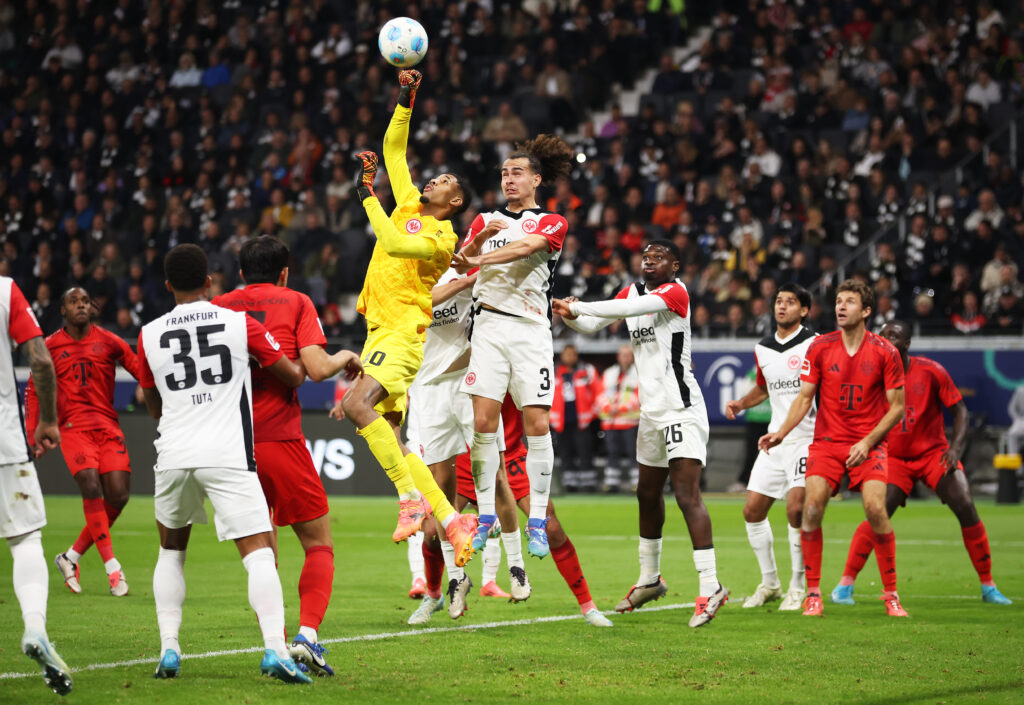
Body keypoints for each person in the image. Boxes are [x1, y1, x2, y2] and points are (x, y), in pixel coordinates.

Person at [138, 244, 310, 683]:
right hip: (228, 454)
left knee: (171, 552)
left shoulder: (149, 333)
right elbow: (292, 374)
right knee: (259, 555)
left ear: (168, 285)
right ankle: (275, 650)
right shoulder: (238, 322)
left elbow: (151, 403)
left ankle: (169, 648)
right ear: (209, 281)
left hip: (174, 453)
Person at [337, 69, 478, 564]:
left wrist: (366, 195)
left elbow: (395, 244)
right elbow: (394, 151)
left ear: (454, 203)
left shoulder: (441, 238)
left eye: (446, 182)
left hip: (402, 331)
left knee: (356, 406)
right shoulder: (410, 205)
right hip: (382, 328)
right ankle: (453, 521)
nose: (434, 179)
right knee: (394, 440)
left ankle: (408, 499)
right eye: (436, 176)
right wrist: (406, 97)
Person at [553, 240, 728, 629]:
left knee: (686, 495)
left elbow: (624, 311)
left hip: (680, 408)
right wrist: (570, 315)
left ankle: (711, 586)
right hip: (650, 414)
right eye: (645, 257)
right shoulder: (631, 291)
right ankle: (650, 578)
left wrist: (581, 306)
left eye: (658, 257)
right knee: (646, 494)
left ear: (674, 265)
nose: (649, 262)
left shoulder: (675, 292)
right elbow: (593, 325)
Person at [212, 236, 364, 676]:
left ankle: (274, 645)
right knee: (318, 544)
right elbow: (314, 370)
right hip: (279, 439)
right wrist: (345, 356)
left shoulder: (218, 306)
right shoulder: (296, 301)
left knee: (262, 554)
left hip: (228, 446)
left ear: (242, 273)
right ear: (284, 272)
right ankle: (307, 636)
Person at [451, 133, 574, 571]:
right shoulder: (485, 219)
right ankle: (485, 514)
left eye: (517, 172)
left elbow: (525, 248)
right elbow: (460, 261)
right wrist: (478, 240)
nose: (508, 179)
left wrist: (481, 256)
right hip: (487, 327)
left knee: (536, 423)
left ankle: (536, 519)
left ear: (536, 179)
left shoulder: (552, 222)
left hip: (530, 331)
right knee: (483, 424)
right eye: (504, 173)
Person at [830, 320, 1012, 606]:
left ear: (907, 344)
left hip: (932, 454)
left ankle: (989, 586)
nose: (887, 340)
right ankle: (845, 583)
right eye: (883, 335)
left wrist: (955, 448)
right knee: (878, 511)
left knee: (965, 503)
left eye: (894, 336)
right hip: (891, 456)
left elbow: (960, 411)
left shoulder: (931, 371)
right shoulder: (869, 375)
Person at [758, 280, 907, 617]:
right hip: (827, 443)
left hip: (869, 445)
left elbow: (897, 408)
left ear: (866, 311)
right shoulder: (820, 347)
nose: (841, 306)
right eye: (839, 301)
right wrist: (780, 433)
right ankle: (813, 593)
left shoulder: (886, 351)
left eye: (850, 302)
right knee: (811, 508)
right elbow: (804, 398)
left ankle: (891, 594)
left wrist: (867, 442)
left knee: (875, 509)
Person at [411, 394, 613, 628]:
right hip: (464, 456)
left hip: (509, 454)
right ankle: (434, 595)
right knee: (431, 532)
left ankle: (588, 606)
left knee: (551, 526)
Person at [25, 288, 140, 598]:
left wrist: (152, 389)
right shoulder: (50, 346)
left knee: (118, 495)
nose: (80, 306)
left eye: (85, 301)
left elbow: (139, 367)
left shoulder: (110, 341)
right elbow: (33, 389)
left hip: (107, 427)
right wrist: (33, 430)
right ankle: (113, 569)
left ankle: (70, 558)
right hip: (73, 429)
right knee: (90, 485)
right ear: (63, 310)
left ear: (91, 308)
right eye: (73, 302)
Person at [1, 275, 73, 695]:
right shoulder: (5, 290)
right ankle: (34, 627)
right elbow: (42, 361)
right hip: (4, 441)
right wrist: (47, 420)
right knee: (25, 538)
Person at [725, 283, 816, 611]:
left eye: (790, 302)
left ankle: (798, 586)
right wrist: (741, 403)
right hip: (774, 439)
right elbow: (764, 387)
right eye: (779, 301)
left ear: (803, 310)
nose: (782, 306)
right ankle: (771, 583)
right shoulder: (763, 347)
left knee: (796, 509)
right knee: (752, 510)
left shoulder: (814, 344)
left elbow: (809, 394)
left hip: (807, 439)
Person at [550, 344, 602, 492]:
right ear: (562, 356)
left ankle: (588, 482)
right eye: (567, 354)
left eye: (572, 354)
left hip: (583, 420)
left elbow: (598, 391)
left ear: (576, 355)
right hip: (561, 420)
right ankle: (570, 482)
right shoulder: (554, 371)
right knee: (565, 452)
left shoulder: (587, 370)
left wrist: (593, 413)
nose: (569, 357)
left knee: (585, 450)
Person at [597, 345, 640, 493]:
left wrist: (620, 408)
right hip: (610, 422)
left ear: (632, 357)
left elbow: (640, 395)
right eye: (623, 355)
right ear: (618, 357)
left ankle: (637, 483)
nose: (625, 358)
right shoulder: (609, 373)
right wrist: (608, 407)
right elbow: (600, 394)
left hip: (630, 422)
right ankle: (611, 483)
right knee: (611, 453)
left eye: (628, 355)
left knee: (634, 453)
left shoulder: (638, 373)